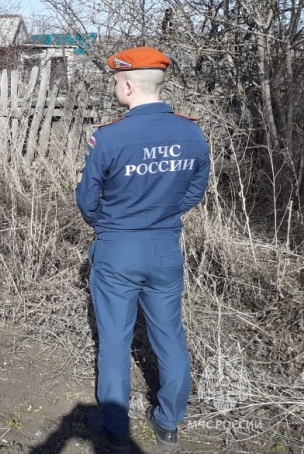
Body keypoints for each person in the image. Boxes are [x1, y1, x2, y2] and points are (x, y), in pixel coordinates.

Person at [75, 47, 210, 452]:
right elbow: (194, 191)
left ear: (129, 85)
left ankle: (115, 426)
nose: (117, 86)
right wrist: (163, 213)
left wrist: (109, 224)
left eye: (117, 82)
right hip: (165, 246)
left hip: (118, 248)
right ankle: (168, 423)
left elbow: (87, 199)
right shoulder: (191, 133)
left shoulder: (111, 137)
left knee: (115, 338)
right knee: (169, 333)